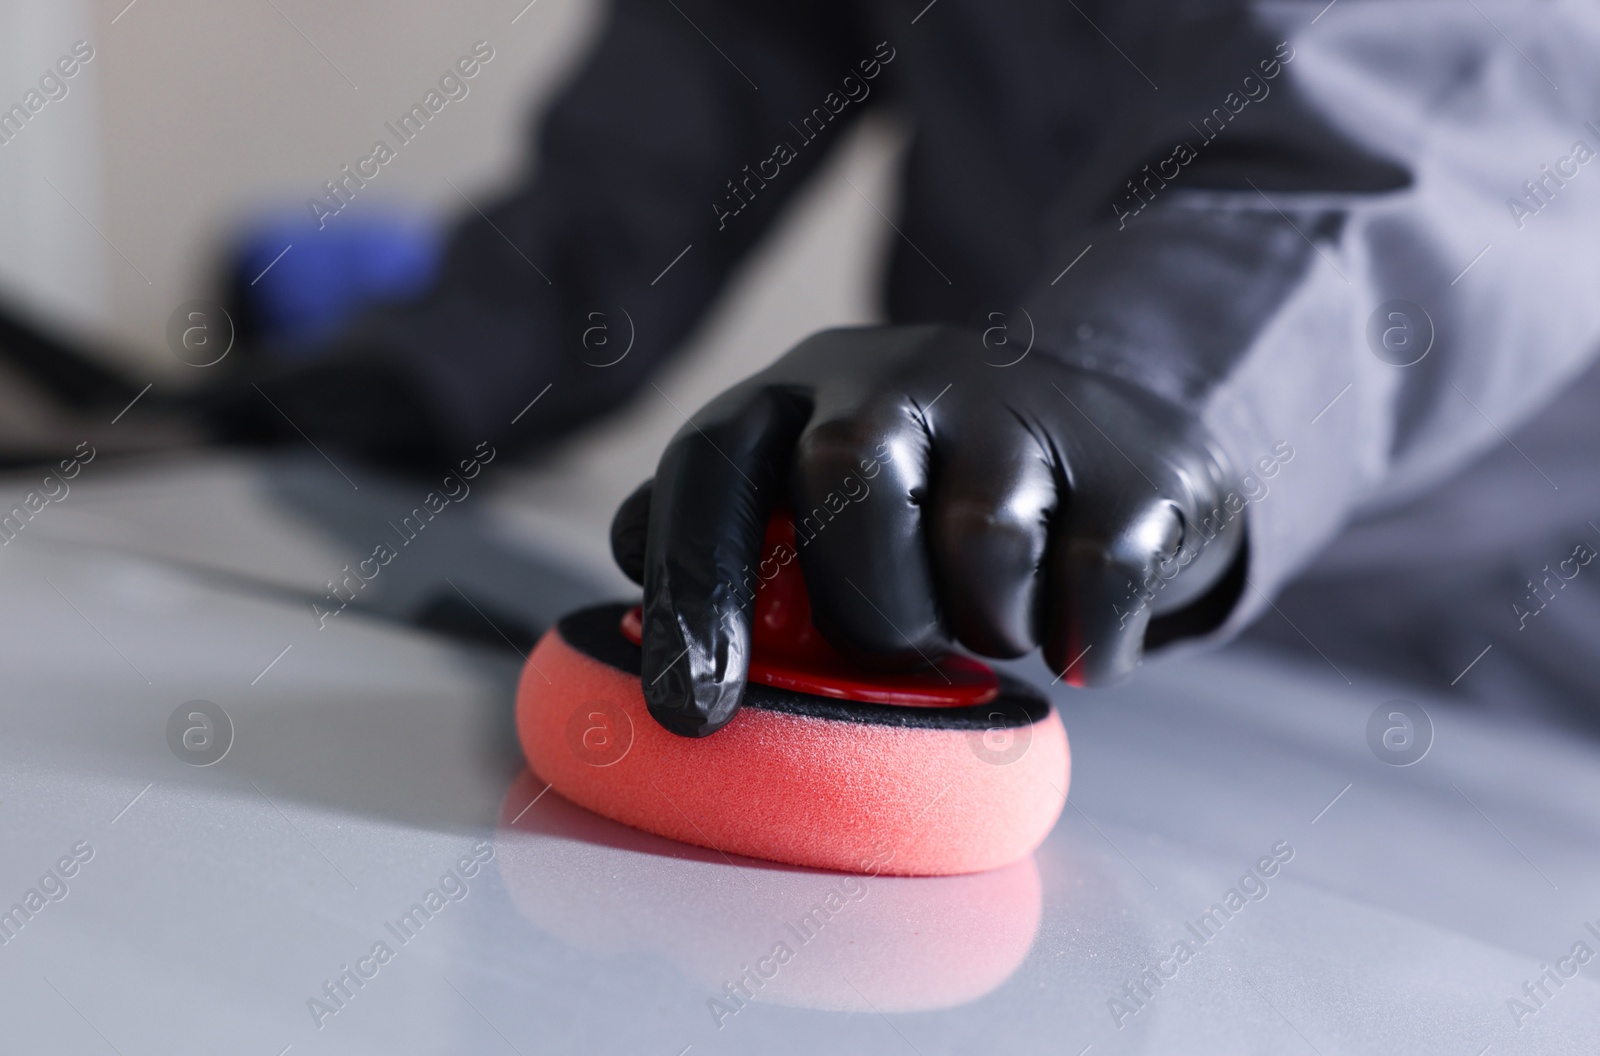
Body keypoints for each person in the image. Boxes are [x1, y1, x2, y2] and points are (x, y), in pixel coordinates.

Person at [211, 2, 1600, 737]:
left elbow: (1442, 120)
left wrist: (1123, 383)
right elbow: (715, 61)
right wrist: (442, 367)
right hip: (993, 586)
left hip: (1459, 672)